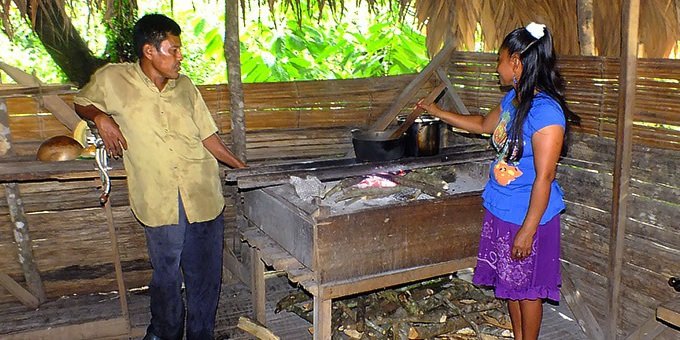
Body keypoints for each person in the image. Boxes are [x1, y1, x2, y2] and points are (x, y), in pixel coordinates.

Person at [74, 14, 246, 340]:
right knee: (166, 276)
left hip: (203, 194)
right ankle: (164, 334)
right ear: (149, 50)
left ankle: (200, 335)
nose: (181, 56)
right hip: (159, 200)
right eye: (174, 49)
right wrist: (99, 116)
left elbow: (208, 137)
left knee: (205, 277)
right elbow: (81, 100)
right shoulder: (113, 79)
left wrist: (240, 167)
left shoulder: (186, 88)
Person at [418, 22, 579, 340]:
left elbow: (545, 178)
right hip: (503, 209)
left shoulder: (546, 113)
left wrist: (527, 232)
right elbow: (481, 123)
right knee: (512, 286)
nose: (497, 67)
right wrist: (436, 111)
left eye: (500, 59)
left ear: (516, 61)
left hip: (528, 217)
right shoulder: (515, 100)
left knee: (529, 290)